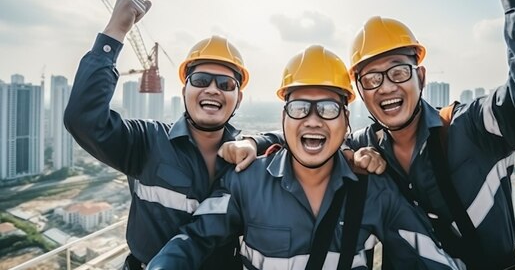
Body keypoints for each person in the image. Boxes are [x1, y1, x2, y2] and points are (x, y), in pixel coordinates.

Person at [223, 0, 515, 270]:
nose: (387, 87)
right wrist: (255, 142)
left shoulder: (474, 127)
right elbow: (309, 135)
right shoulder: (365, 145)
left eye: (398, 73)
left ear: (420, 77)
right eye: (372, 79)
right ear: (361, 92)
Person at [146, 45, 460, 270]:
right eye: (299, 108)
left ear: (346, 121)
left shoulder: (374, 192)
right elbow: (194, 239)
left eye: (328, 108)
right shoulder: (245, 181)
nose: (313, 120)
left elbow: (427, 255)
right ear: (284, 120)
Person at [64, 0, 247, 269]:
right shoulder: (147, 142)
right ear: (185, 89)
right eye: (200, 79)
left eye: (225, 84)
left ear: (238, 98)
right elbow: (84, 119)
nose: (212, 89)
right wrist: (115, 33)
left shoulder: (249, 160)